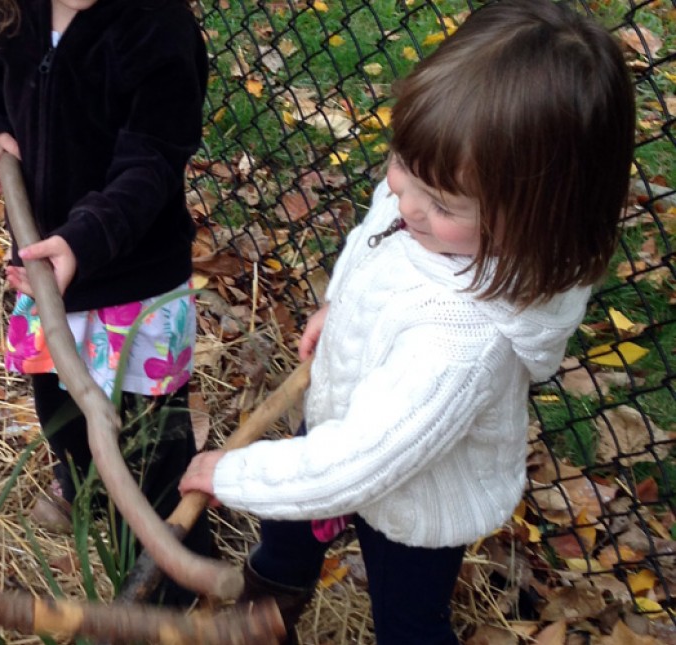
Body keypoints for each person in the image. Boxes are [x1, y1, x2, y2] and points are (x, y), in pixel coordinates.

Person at [179, 0, 635, 642]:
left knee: (408, 615)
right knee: (295, 517)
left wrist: (233, 475)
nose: (403, 200)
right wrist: (342, 305)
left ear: (536, 219)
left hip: (413, 494)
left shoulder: (461, 343)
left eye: (440, 201)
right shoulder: (439, 198)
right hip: (349, 414)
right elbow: (377, 233)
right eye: (403, 164)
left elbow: (353, 465)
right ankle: (278, 587)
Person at [0, 0, 211, 603]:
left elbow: (152, 162)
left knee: (153, 446)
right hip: (44, 266)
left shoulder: (158, 30)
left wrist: (83, 239)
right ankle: (84, 482)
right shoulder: (8, 8)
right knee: (58, 401)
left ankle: (174, 576)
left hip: (132, 283)